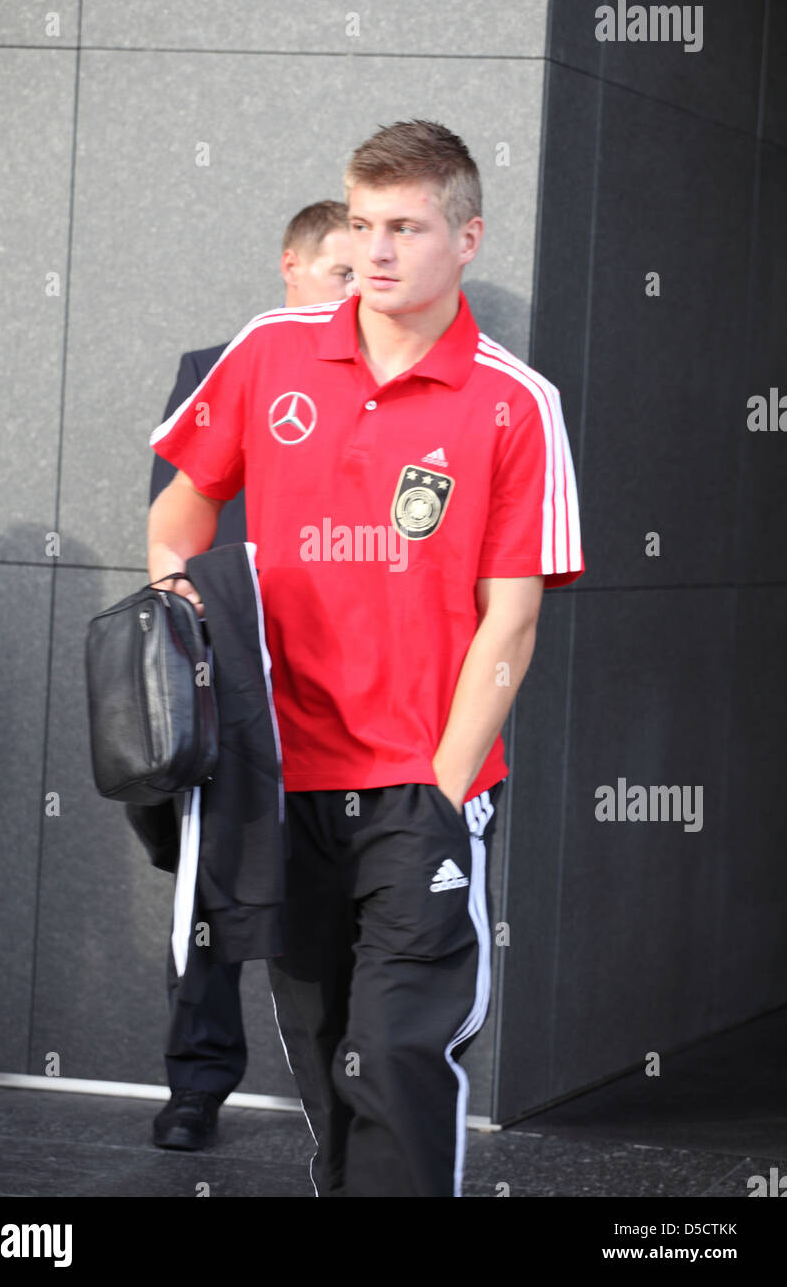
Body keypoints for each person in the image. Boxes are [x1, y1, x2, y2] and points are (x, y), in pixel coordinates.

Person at [146, 121, 584, 1195]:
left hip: (417, 790)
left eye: (406, 226)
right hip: (278, 781)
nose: (377, 249)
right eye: (361, 222)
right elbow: (177, 517)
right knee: (325, 1057)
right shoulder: (269, 352)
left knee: (394, 1053)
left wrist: (442, 791)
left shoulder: (512, 402)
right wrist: (191, 649)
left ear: (465, 237)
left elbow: (510, 623)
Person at [138, 201, 352, 1153]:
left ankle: (347, 1117)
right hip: (232, 679)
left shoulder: (386, 378)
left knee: (328, 910)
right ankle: (197, 1090)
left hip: (341, 690)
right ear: (291, 269)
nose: (360, 287)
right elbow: (173, 536)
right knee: (212, 896)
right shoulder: (220, 371)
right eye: (340, 271)